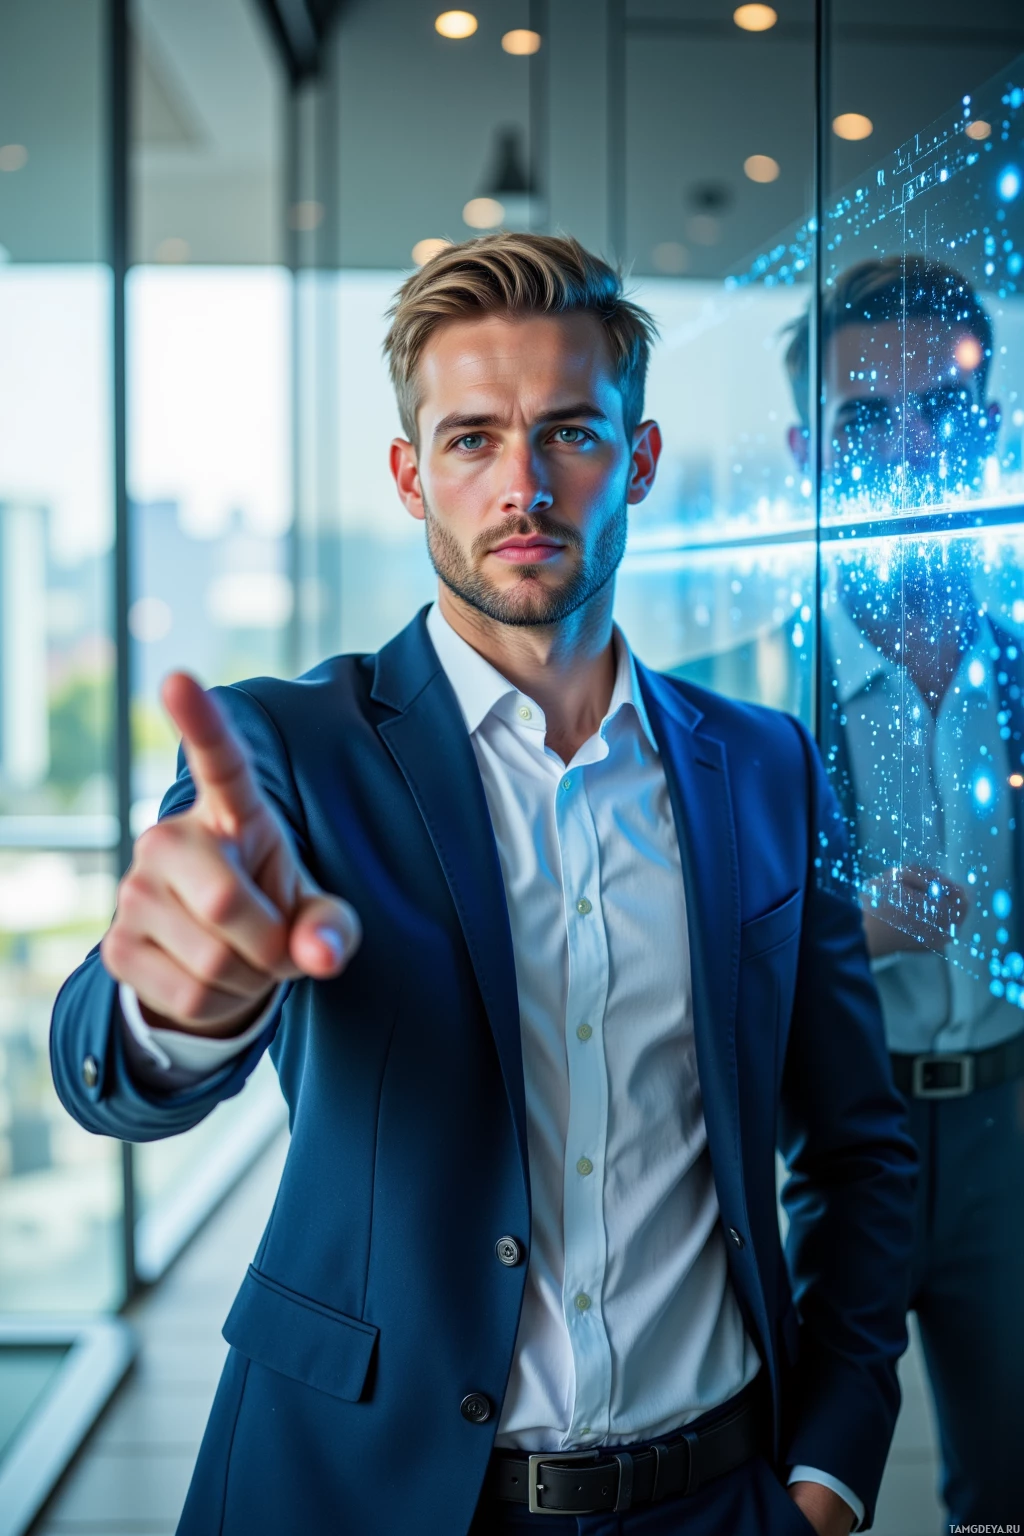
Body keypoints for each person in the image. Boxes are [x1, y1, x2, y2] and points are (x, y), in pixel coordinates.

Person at [51, 234, 916, 1536]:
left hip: (723, 1500)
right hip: (365, 1493)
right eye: (471, 441)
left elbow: (856, 1146)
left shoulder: (765, 769)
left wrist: (835, 1466)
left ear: (641, 459)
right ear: (411, 476)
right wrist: (179, 1010)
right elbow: (102, 1070)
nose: (524, 485)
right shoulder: (285, 752)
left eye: (569, 432)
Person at [784, 255, 1024, 1524]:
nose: (914, 446)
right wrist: (850, 932)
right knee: (797, 1486)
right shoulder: (742, 706)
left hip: (1008, 1129)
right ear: (809, 453)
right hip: (827, 1140)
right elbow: (687, 946)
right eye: (868, 419)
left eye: (948, 411)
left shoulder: (1022, 674)